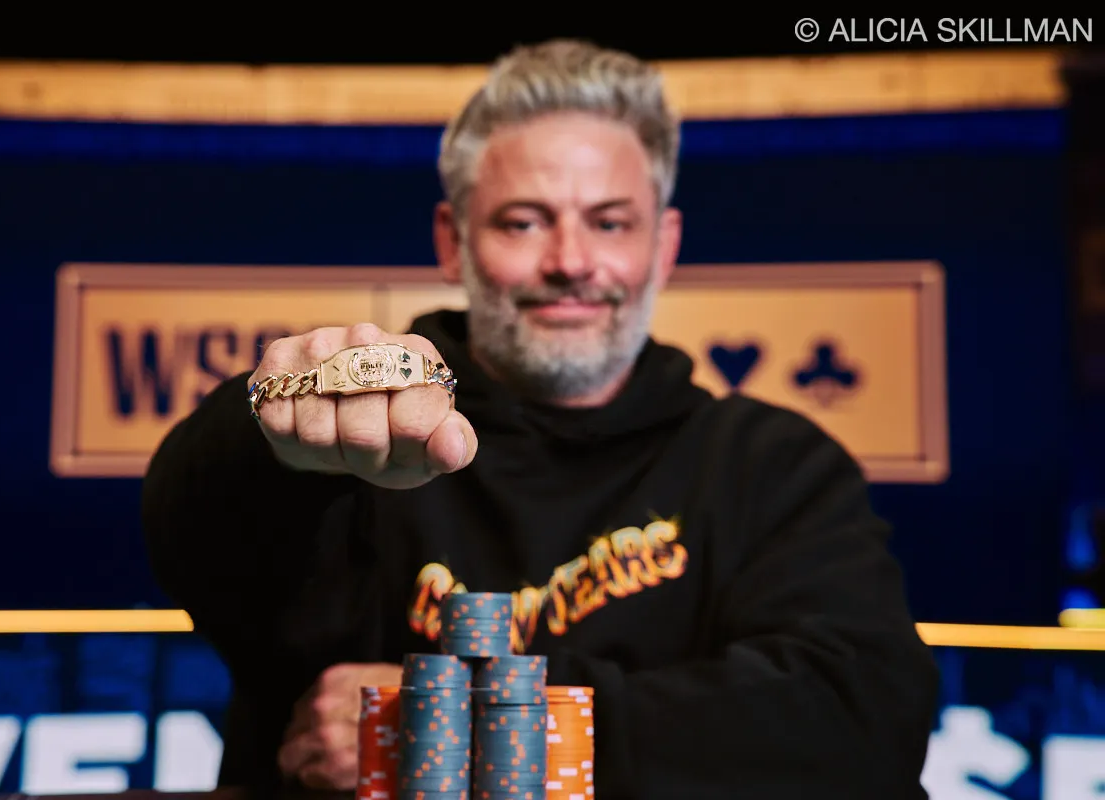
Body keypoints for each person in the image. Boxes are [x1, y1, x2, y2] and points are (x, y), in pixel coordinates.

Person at [142, 39, 939, 799]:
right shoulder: (367, 430)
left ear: (663, 247)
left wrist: (457, 722)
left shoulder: (775, 466)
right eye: (523, 222)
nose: (570, 261)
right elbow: (195, 532)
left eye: (610, 222)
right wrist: (275, 440)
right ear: (453, 242)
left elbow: (862, 723)